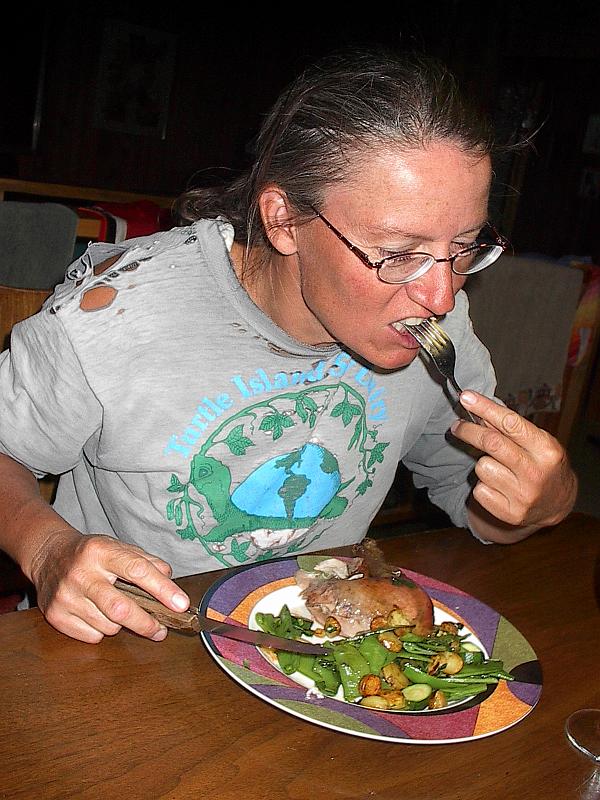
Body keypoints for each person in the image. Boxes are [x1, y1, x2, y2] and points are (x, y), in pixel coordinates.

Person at [0, 48, 577, 644]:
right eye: (399, 253)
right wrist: (48, 550)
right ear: (283, 220)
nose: (440, 295)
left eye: (463, 245)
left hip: (318, 647)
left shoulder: (435, 322)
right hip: (132, 644)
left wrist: (543, 503)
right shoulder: (114, 317)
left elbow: (475, 501)